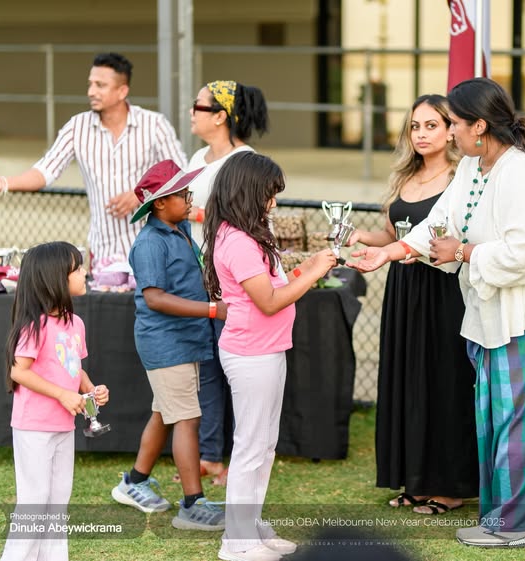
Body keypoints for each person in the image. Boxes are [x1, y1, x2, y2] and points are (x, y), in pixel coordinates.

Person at [349, 77, 525, 548]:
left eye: (453, 123)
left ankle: (519, 523)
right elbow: (438, 223)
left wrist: (464, 252)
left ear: (479, 125)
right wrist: (388, 253)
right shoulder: (474, 167)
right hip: (509, 306)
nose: (449, 131)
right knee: (513, 410)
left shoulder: (524, 171)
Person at [345, 94, 477, 515]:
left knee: (444, 383)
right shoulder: (405, 176)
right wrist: (363, 238)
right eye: (415, 126)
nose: (421, 134)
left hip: (443, 291)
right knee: (408, 382)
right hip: (403, 290)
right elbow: (394, 236)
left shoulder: (462, 177)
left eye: (431, 125)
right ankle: (416, 481)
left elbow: (454, 238)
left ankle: (450, 487)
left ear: (450, 130)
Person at [203, 152, 337, 561]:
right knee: (250, 446)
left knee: (264, 446)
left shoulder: (248, 236)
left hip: (267, 350)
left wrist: (304, 269)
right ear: (248, 193)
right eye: (269, 194)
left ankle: (252, 525)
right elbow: (269, 302)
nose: (273, 202)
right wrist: (313, 274)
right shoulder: (239, 242)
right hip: (251, 354)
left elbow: (274, 285)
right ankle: (237, 541)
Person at [0, 52, 187, 268]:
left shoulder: (154, 124)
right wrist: (3, 183)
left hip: (156, 250)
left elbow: (181, 175)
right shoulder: (77, 127)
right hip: (105, 254)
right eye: (90, 84)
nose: (91, 91)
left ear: (122, 91)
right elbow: (44, 172)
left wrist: (141, 195)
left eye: (100, 85)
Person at [111, 160, 227, 532]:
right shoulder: (149, 243)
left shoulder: (181, 230)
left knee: (165, 413)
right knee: (187, 419)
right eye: (183, 194)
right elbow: (155, 298)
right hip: (166, 342)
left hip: (186, 339)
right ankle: (192, 505)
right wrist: (212, 309)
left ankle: (134, 481)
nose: (189, 199)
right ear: (160, 203)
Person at [183, 79, 270, 488]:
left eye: (198, 106)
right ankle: (211, 455)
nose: (191, 112)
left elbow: (254, 220)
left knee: (236, 371)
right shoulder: (197, 157)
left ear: (220, 116)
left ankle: (240, 458)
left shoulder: (246, 162)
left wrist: (197, 215)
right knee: (210, 368)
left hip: (232, 282)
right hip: (199, 277)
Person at [0, 241, 109, 561]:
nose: (85, 272)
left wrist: (91, 389)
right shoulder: (34, 325)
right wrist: (62, 394)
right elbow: (18, 371)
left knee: (59, 499)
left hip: (63, 425)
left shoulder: (76, 324)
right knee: (34, 501)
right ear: (56, 278)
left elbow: (73, 367)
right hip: (34, 426)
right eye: (78, 268)